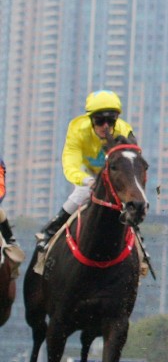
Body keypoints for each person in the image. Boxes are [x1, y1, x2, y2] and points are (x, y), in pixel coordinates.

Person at [36, 90, 137, 250]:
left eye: (110, 120)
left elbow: (133, 162)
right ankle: (50, 230)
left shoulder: (124, 131)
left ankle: (140, 246)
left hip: (114, 175)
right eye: (99, 120)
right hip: (88, 173)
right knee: (83, 191)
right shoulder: (77, 130)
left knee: (132, 200)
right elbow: (71, 164)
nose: (105, 126)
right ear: (90, 119)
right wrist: (88, 180)